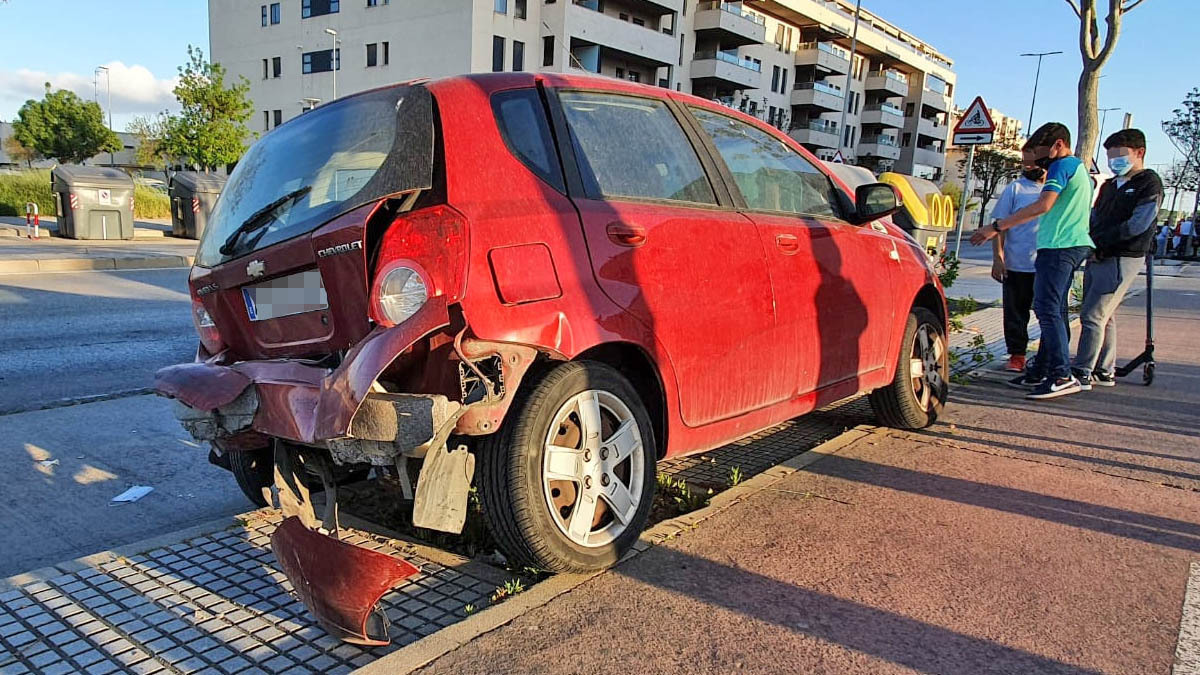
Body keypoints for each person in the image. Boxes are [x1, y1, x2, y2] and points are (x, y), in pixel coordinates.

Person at [971, 122, 1094, 399]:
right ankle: (1042, 369)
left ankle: (1061, 374)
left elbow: (1043, 205)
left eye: (1041, 154)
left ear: (1058, 145)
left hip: (1059, 246)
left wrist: (997, 226)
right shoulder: (1080, 170)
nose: (1038, 162)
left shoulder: (1062, 166)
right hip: (1066, 245)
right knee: (1054, 310)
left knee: (1048, 310)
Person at [1071, 128, 1163, 389]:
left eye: (1120, 156)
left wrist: (1104, 240)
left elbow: (1138, 224)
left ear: (1139, 153)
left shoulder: (1149, 183)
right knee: (1104, 315)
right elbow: (1095, 216)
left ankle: (1082, 371)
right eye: (1111, 158)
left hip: (1124, 256)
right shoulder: (1111, 185)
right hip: (1098, 253)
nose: (1114, 163)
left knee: (1092, 315)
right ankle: (1103, 369)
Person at [989, 144, 1045, 372]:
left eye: (1031, 161)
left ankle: (1046, 357)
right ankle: (1017, 355)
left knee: (1048, 313)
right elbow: (998, 226)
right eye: (1024, 162)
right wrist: (998, 258)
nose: (1027, 166)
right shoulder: (1016, 189)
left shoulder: (1056, 189)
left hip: (1046, 265)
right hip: (1017, 263)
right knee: (1015, 313)